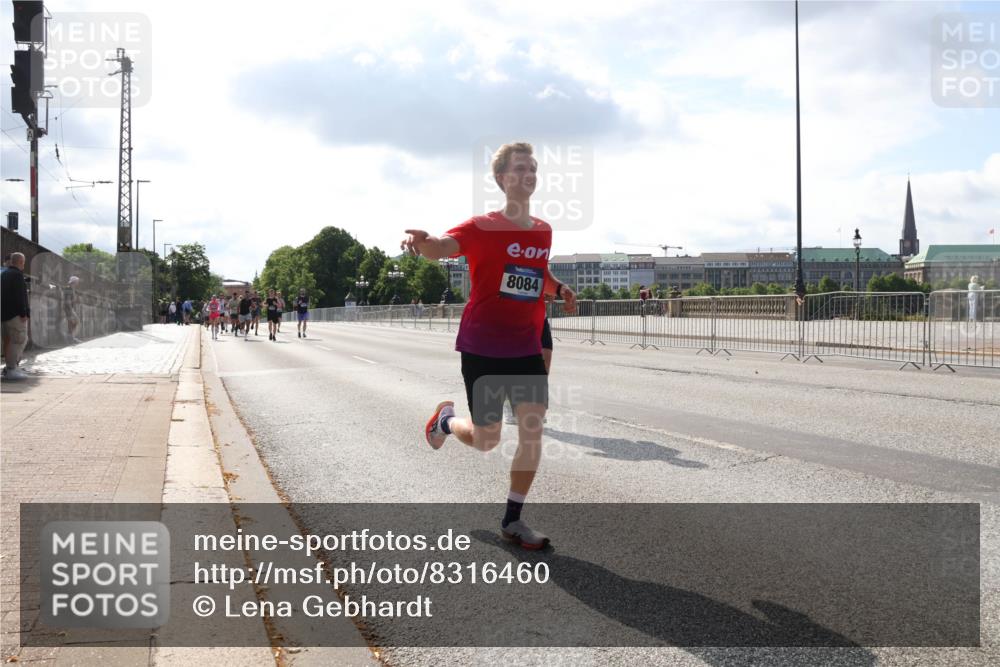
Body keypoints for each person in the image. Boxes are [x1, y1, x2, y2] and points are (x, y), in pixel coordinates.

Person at [401, 142, 576, 550]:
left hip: (527, 347)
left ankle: (513, 521)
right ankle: (443, 423)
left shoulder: (542, 230)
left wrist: (560, 287)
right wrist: (424, 244)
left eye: (533, 168)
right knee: (487, 439)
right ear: (501, 179)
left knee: (532, 431)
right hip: (483, 345)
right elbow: (443, 247)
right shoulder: (481, 226)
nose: (528, 174)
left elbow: (540, 273)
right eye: (519, 168)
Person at [1, 252, 30, 381]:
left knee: (10, 341)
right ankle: (12, 369)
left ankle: (10, 368)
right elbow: (20, 297)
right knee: (19, 340)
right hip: (15, 315)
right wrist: (24, 313)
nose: (24, 265)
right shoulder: (17, 275)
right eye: (23, 262)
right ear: (20, 262)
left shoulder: (4, 274)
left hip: (4, 314)